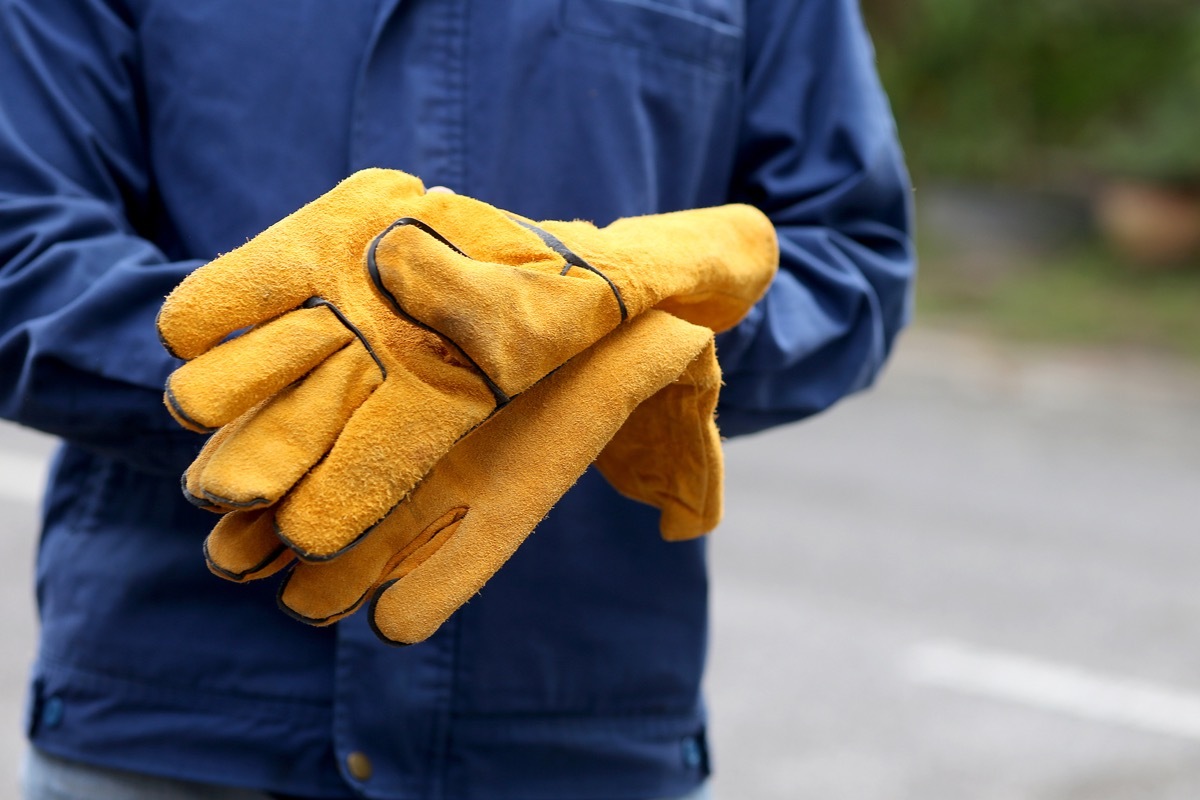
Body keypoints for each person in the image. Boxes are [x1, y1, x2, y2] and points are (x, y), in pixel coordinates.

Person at [0, 1, 914, 798]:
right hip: (173, 729)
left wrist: (624, 334)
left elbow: (850, 260)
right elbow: (22, 251)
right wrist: (356, 366)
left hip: (576, 729)